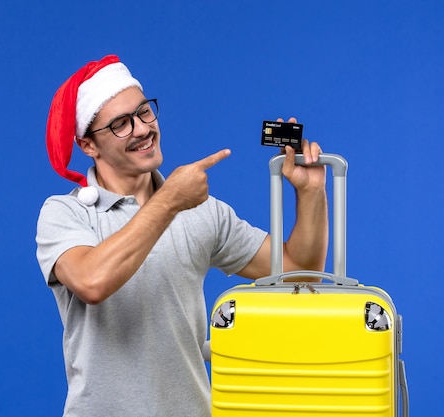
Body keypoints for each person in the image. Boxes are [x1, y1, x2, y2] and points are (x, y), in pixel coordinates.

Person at [36, 54, 328, 417]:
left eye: (144, 112)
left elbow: (300, 270)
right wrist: (169, 200)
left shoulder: (201, 210)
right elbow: (92, 282)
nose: (142, 129)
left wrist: (311, 193)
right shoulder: (65, 213)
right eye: (120, 125)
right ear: (88, 145)